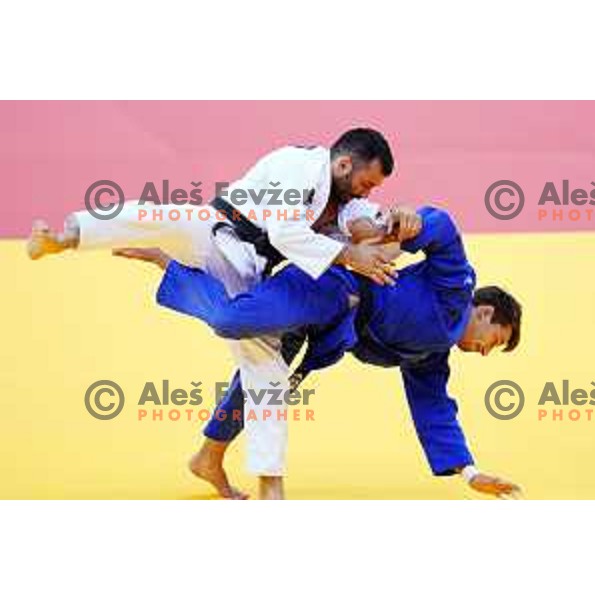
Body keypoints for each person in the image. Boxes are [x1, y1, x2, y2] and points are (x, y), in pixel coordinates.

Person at [26, 128, 397, 500]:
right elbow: (285, 233)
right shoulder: (298, 165)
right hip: (217, 232)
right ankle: (65, 236)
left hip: (252, 273)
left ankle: (268, 482)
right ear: (344, 164)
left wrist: (400, 220)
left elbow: (373, 223)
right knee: (166, 215)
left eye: (373, 189)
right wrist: (350, 255)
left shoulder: (348, 198)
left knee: (268, 376)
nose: (367, 192)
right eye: (366, 183)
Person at [116, 205, 523, 499]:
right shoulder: (456, 291)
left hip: (329, 332)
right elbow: (445, 230)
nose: (486, 353)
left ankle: (208, 456)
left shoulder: (433, 356)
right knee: (232, 321)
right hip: (331, 285)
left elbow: (435, 411)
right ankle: (171, 267)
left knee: (263, 382)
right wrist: (412, 225)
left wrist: (471, 473)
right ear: (485, 312)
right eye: (495, 340)